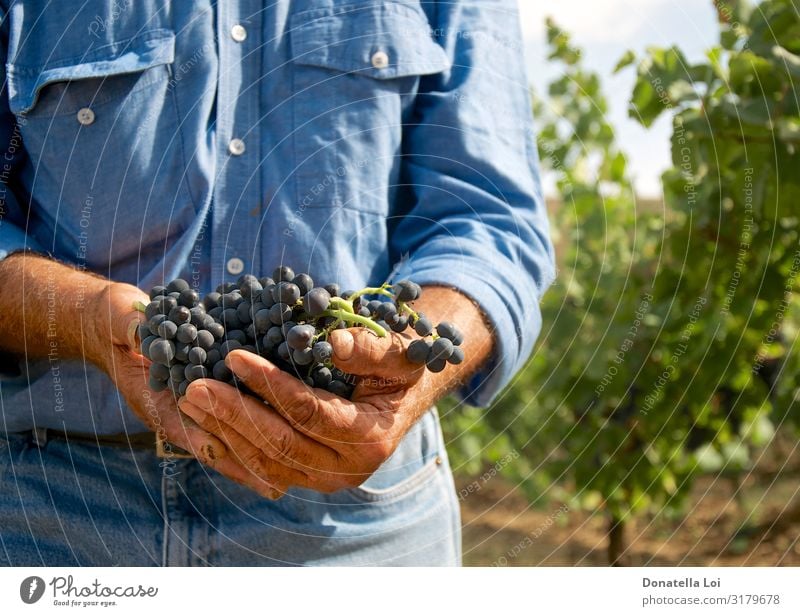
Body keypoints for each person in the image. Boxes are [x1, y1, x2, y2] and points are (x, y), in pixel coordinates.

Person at [0, 0, 554, 566]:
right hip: (49, 499)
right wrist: (84, 315)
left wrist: (409, 363)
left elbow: (491, 220)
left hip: (358, 514)